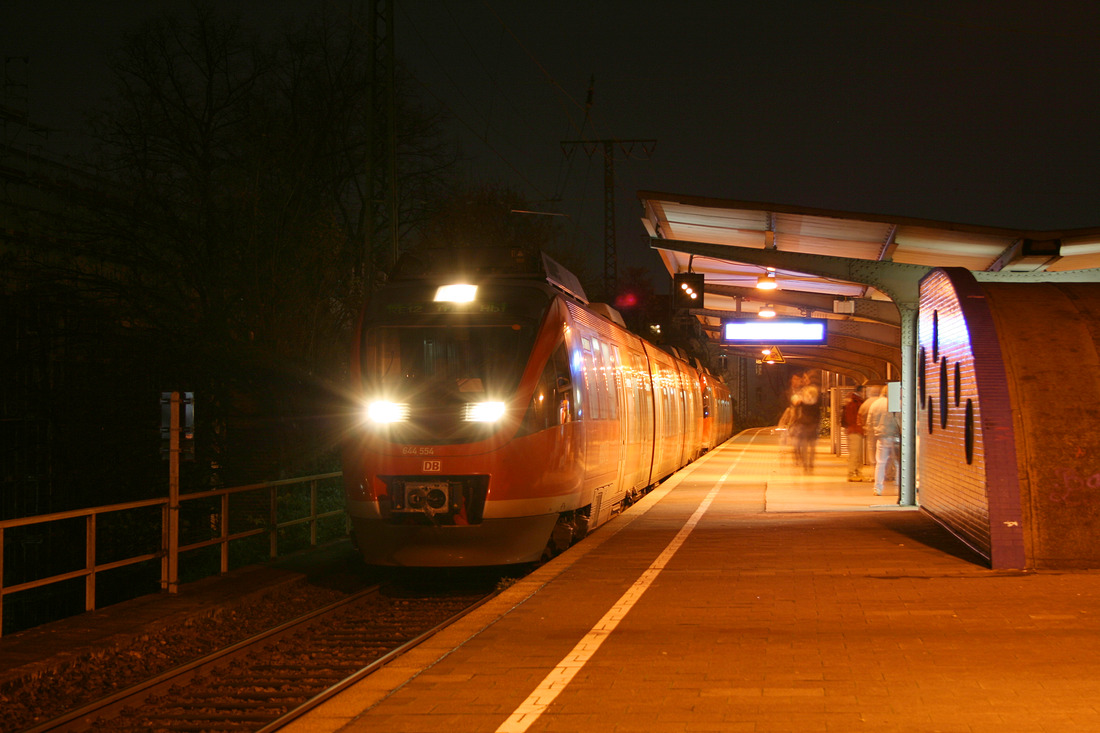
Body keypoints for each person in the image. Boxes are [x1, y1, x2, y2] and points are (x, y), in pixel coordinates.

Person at [866, 389, 899, 496]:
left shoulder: (875, 404)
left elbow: (869, 422)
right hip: (895, 436)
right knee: (898, 463)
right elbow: (899, 419)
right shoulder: (896, 403)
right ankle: (899, 485)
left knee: (880, 463)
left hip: (881, 437)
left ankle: (878, 488)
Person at [841, 386, 865, 482]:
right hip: (855, 430)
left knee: (857, 454)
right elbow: (851, 418)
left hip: (855, 430)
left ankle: (857, 472)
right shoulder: (854, 403)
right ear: (861, 391)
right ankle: (851, 473)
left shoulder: (854, 401)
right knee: (854, 454)